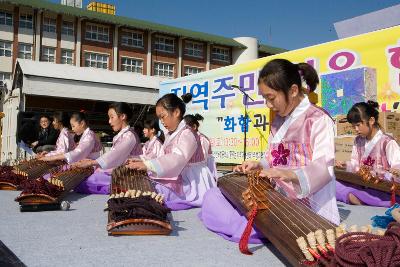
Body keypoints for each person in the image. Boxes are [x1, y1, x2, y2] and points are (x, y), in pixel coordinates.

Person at [199, 58, 340, 245]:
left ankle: (247, 227)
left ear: (293, 91)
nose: (268, 104)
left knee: (234, 216)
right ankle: (247, 225)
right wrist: (259, 164)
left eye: (271, 98)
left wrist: (290, 174)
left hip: (307, 202)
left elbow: (325, 168)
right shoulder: (279, 120)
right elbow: (272, 158)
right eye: (265, 98)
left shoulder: (318, 119)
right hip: (276, 194)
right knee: (213, 195)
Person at [126, 93, 216, 210]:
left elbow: (178, 158)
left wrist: (147, 165)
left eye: (163, 116)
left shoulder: (187, 133)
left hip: (192, 181)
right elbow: (162, 157)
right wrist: (142, 160)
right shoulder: (172, 134)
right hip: (179, 175)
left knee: (155, 191)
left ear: (176, 112)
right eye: (159, 118)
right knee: (146, 184)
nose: (161, 122)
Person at [336, 101, 400, 207]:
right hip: (363, 184)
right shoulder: (358, 141)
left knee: (378, 194)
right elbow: (355, 163)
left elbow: (397, 164)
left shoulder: (387, 142)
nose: (356, 130)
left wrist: (396, 171)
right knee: (331, 182)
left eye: (358, 125)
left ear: (371, 120)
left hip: (381, 189)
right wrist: (345, 164)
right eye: (353, 126)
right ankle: (360, 198)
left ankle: (360, 199)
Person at [73, 103, 142, 194]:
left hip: (129, 174)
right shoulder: (124, 135)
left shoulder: (129, 136)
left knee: (83, 183)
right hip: (120, 171)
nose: (109, 121)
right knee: (84, 180)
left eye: (112, 117)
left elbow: (114, 155)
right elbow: (112, 155)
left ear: (123, 116)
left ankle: (117, 188)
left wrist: (91, 162)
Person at [184, 113, 217, 180]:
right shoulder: (185, 139)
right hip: (190, 174)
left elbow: (209, 160)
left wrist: (213, 176)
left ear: (194, 127)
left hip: (199, 174)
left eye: (186, 128)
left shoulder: (203, 139)